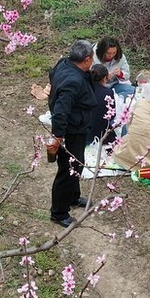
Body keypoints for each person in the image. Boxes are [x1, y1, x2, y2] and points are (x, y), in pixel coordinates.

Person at [46, 40, 98, 228]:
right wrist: (58, 137)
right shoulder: (73, 81)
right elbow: (61, 110)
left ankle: (73, 196)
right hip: (71, 130)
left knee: (77, 164)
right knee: (67, 170)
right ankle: (59, 212)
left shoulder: (64, 64)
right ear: (86, 59)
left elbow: (52, 78)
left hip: (79, 125)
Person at [88, 64, 117, 146]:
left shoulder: (82, 88)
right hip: (99, 130)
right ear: (104, 78)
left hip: (81, 127)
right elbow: (112, 115)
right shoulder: (107, 93)